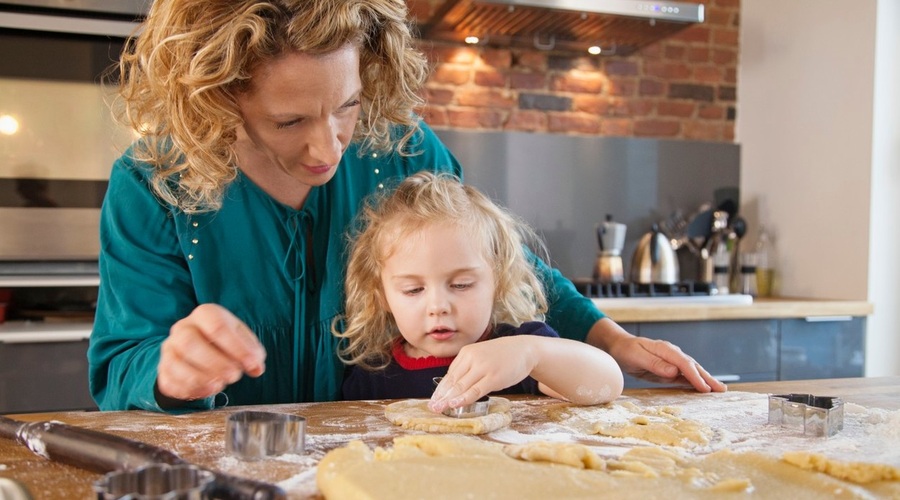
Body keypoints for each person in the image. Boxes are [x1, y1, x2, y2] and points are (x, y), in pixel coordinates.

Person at [88, 0, 725, 414]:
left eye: (346, 106)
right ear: (217, 102)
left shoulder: (401, 146)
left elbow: (505, 264)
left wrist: (607, 337)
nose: (327, 147)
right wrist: (166, 370)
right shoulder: (155, 184)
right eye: (289, 121)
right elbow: (121, 365)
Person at [336, 172, 624, 411]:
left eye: (461, 285)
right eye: (413, 290)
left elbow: (608, 382)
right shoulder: (371, 375)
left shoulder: (518, 349)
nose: (438, 306)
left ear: (497, 281)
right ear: (383, 296)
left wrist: (532, 354)